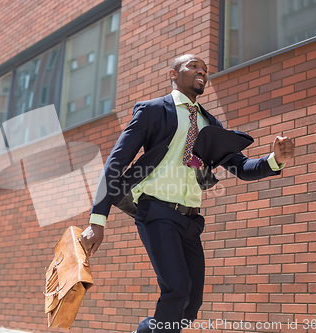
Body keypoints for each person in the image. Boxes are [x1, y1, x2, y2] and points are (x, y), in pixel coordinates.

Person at [80, 54, 295, 333]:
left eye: (204, 69)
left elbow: (241, 167)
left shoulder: (210, 124)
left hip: (191, 221)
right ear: (173, 74)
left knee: (190, 303)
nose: (201, 71)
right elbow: (116, 162)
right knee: (177, 290)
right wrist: (97, 220)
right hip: (156, 212)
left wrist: (274, 159)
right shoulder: (152, 111)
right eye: (193, 66)